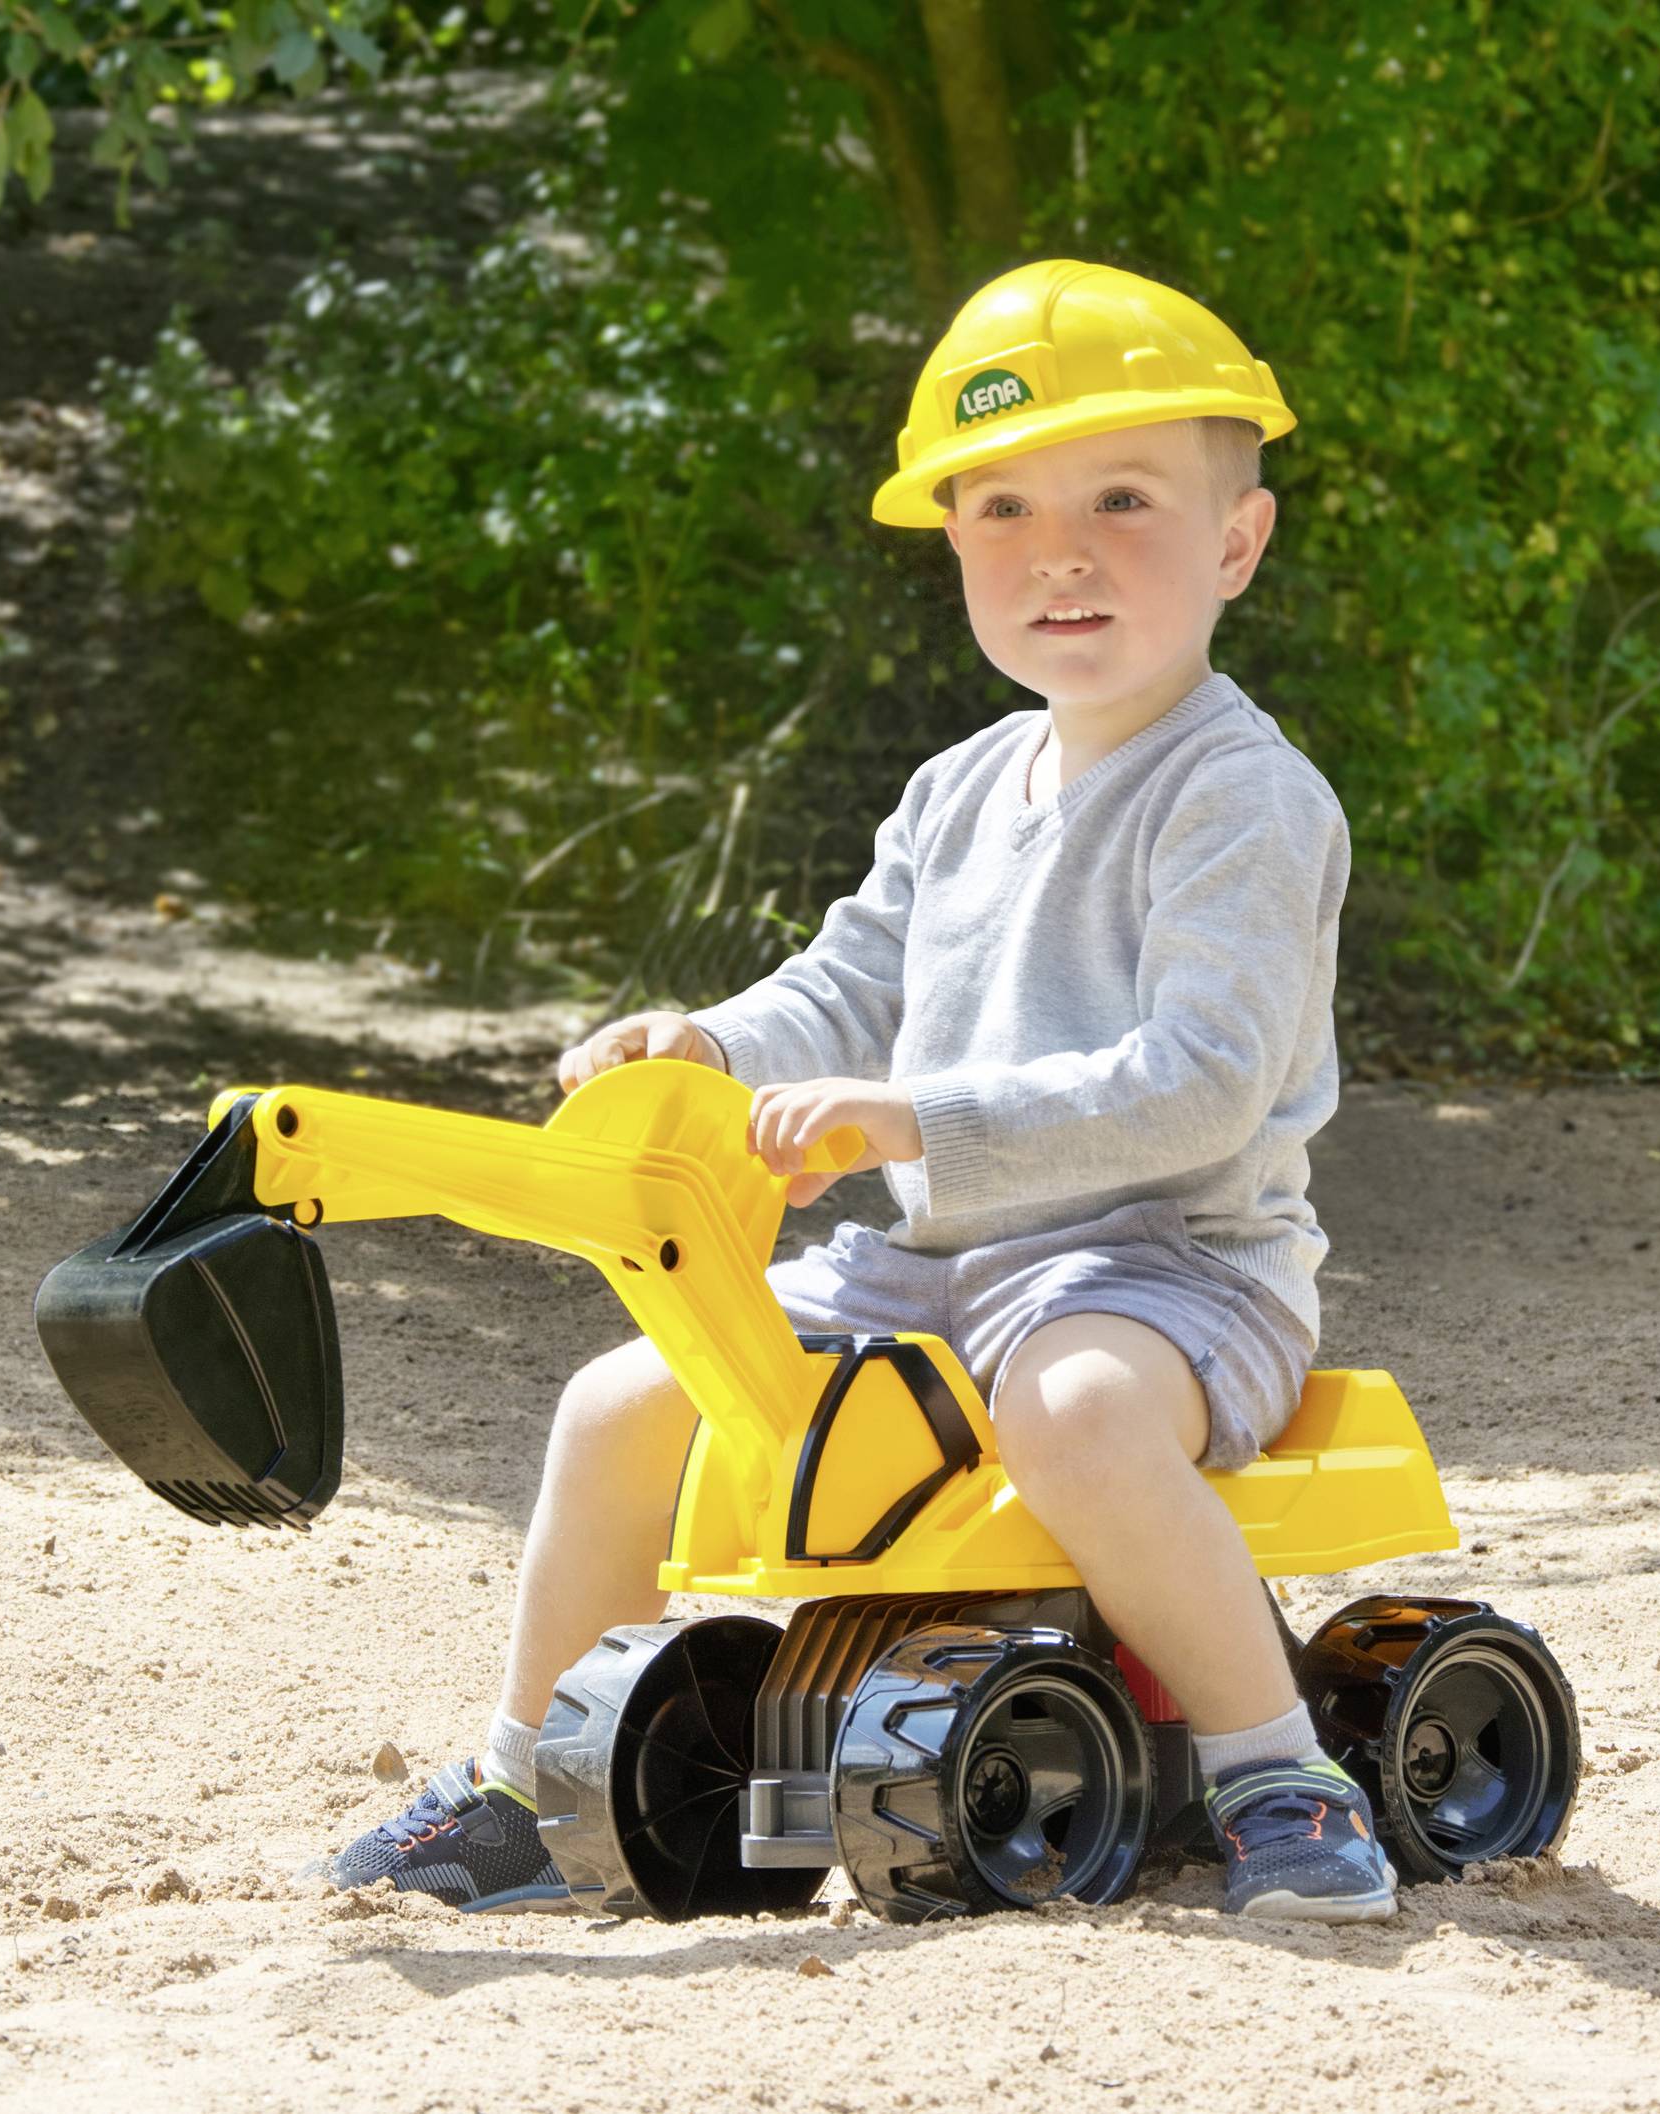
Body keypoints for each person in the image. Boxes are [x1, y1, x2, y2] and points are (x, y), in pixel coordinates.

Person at [332, 259, 1390, 1922]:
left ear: (1237, 543)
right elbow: (844, 983)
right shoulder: (958, 787)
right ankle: (522, 1787)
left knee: (1075, 1409)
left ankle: (1278, 1774)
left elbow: (1199, 1087)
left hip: (1167, 1266)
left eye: (1126, 499)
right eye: (1006, 506)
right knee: (625, 1398)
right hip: (931, 1269)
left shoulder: (1243, 796)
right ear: (954, 546)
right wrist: (713, 1042)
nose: (1065, 549)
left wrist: (918, 1121)